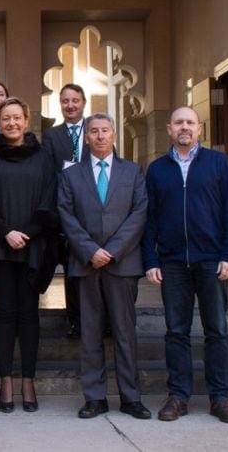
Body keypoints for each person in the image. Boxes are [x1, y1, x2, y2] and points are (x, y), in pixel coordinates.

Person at [142, 106, 228, 424]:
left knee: (216, 330)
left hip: (212, 261)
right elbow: (149, 220)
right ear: (169, 129)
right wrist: (151, 259)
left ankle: (219, 397)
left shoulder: (219, 164)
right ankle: (179, 396)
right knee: (176, 331)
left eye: (190, 122)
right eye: (178, 123)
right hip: (172, 263)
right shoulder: (157, 169)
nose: (184, 127)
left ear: (199, 129)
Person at [57, 113, 151, 420]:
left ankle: (130, 397)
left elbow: (139, 214)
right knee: (91, 332)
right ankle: (94, 397)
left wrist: (111, 251)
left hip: (121, 264)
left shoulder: (133, 171)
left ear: (114, 135)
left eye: (105, 131)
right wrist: (90, 250)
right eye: (93, 131)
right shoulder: (71, 175)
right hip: (86, 264)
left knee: (125, 332)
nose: (99, 136)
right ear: (86, 137)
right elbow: (66, 216)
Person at [0, 97, 58, 413]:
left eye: (17, 118)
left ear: (26, 120)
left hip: (34, 247)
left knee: (29, 315)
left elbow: (50, 199)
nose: (11, 123)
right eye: (5, 118)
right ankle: (6, 380)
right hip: (0, 247)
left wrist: (29, 233)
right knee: (5, 314)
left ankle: (28, 381)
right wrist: (5, 232)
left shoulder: (44, 158)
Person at [42, 83, 90, 339]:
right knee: (72, 268)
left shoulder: (97, 129)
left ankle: (97, 321)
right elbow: (49, 173)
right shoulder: (52, 135)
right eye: (65, 101)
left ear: (83, 102)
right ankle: (76, 320)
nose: (70, 105)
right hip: (65, 211)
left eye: (75, 100)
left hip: (93, 212)